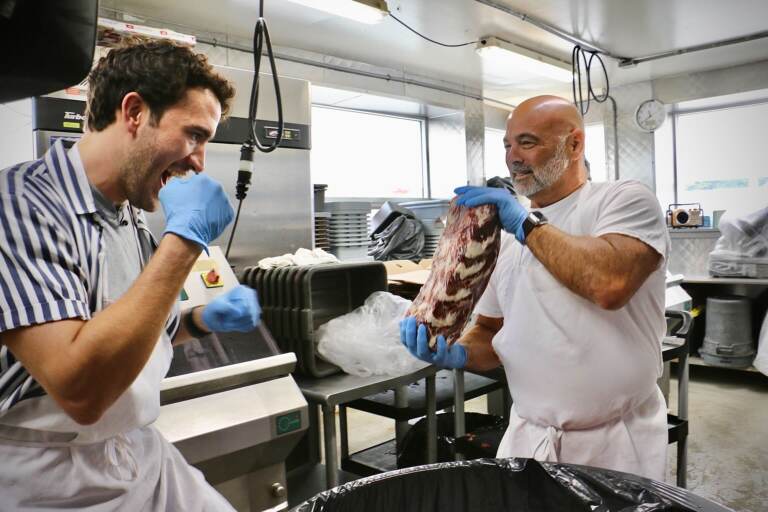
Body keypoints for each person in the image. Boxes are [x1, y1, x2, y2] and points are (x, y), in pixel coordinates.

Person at [0, 39, 261, 510]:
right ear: (135, 112)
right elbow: (81, 390)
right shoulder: (19, 208)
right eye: (194, 135)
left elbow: (132, 329)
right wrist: (183, 246)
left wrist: (199, 320)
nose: (199, 162)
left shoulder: (128, 216)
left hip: (135, 452)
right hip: (46, 476)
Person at [401, 95, 670, 481]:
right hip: (528, 438)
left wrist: (525, 225)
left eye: (527, 143)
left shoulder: (622, 200)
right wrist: (456, 354)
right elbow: (491, 331)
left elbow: (609, 284)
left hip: (615, 444)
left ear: (574, 144)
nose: (513, 157)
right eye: (508, 145)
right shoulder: (505, 239)